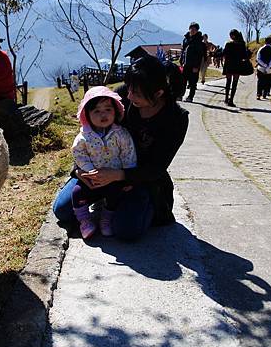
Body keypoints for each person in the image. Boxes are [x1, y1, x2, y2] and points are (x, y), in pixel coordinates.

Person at [52, 55, 189, 241]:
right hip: (99, 169)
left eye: (137, 94)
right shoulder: (123, 95)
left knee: (126, 230)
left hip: (140, 180)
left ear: (158, 93)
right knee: (62, 209)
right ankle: (106, 201)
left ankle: (127, 206)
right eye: (130, 88)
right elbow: (89, 134)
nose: (130, 96)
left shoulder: (176, 118)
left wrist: (118, 175)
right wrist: (79, 171)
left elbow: (157, 167)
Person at [71, 86, 137, 239]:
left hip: (114, 178)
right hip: (91, 178)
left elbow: (128, 154)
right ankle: (85, 221)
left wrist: (128, 176)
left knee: (115, 195)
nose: (103, 114)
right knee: (77, 193)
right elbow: (78, 154)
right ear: (87, 115)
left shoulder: (121, 134)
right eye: (96, 111)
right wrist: (88, 170)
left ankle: (106, 219)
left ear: (116, 111)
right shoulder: (84, 137)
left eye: (108, 109)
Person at [222, 29, 248, 107]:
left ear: (233, 36)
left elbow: (223, 53)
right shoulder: (242, 44)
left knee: (228, 82)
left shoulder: (228, 44)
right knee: (234, 84)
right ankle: (231, 100)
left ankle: (226, 98)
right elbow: (244, 56)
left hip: (229, 65)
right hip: (237, 65)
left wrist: (213, 54)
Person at [181, 22, 205, 102]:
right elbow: (183, 50)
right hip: (185, 63)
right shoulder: (186, 39)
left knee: (193, 82)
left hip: (194, 65)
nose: (192, 30)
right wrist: (181, 60)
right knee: (183, 81)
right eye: (191, 28)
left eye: (194, 29)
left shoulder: (198, 40)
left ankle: (190, 97)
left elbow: (199, 55)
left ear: (197, 30)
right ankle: (180, 95)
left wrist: (197, 66)